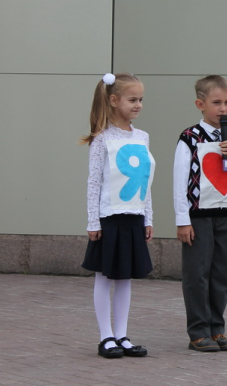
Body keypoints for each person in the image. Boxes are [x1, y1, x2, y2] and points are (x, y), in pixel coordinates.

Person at [173, 75, 227, 352]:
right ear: (200, 104)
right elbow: (179, 181)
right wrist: (182, 220)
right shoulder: (190, 138)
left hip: (225, 214)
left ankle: (217, 328)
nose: (223, 109)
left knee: (221, 274)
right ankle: (198, 331)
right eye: (217, 103)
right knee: (198, 274)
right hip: (198, 216)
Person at [80, 72, 154, 359]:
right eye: (132, 99)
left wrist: (147, 217)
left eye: (141, 99)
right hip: (109, 216)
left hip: (134, 215)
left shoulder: (142, 137)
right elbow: (94, 182)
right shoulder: (102, 139)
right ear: (113, 100)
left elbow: (145, 180)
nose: (138, 105)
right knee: (104, 276)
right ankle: (106, 336)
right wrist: (93, 220)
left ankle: (122, 334)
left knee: (126, 277)